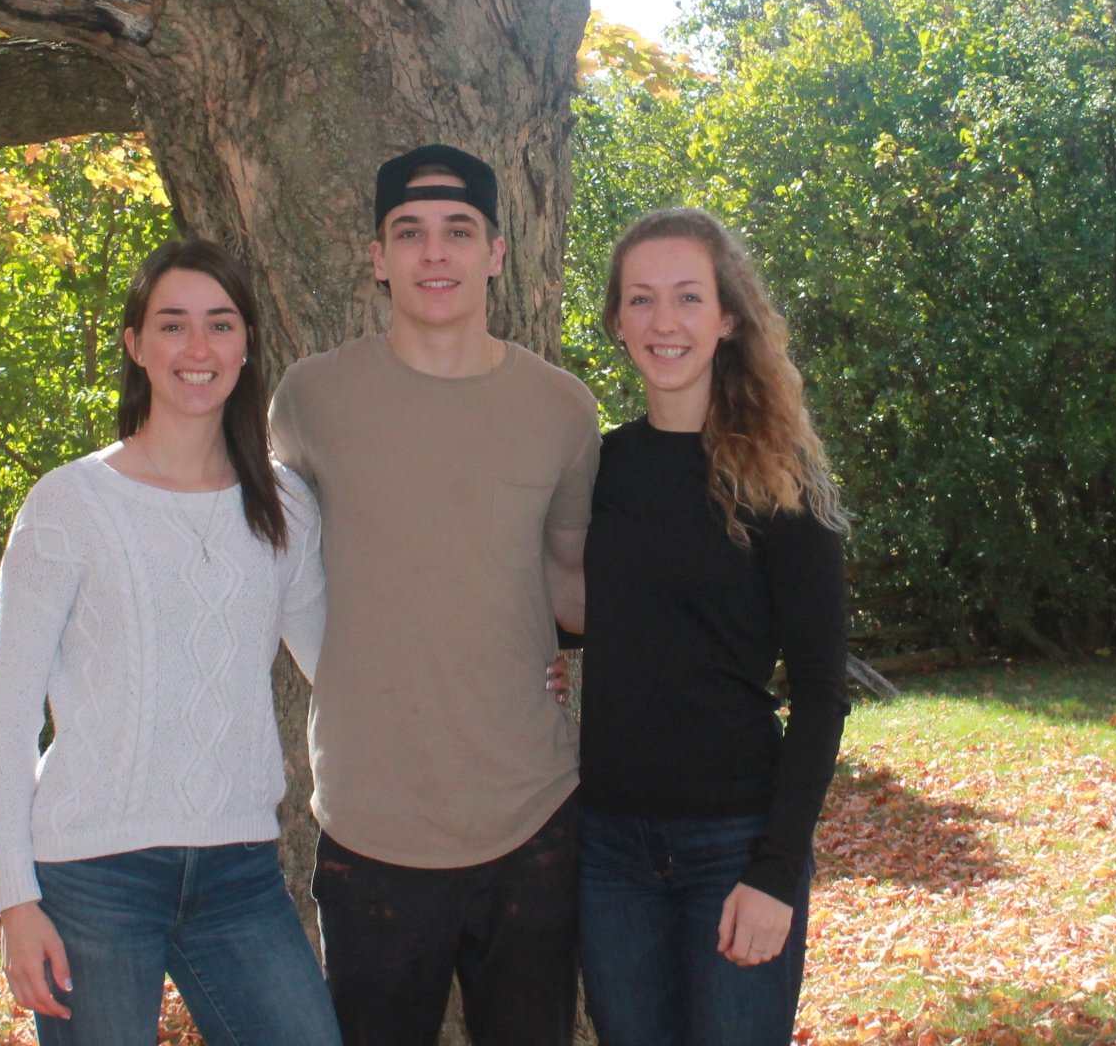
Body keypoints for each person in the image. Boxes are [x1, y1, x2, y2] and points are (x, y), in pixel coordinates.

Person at [269, 144, 602, 1046]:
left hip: (532, 813)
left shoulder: (563, 410)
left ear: (497, 250)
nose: (435, 253)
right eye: (409, 233)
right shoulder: (309, 402)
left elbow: (573, 587)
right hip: (373, 823)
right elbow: (267, 576)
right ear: (377, 257)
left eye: (459, 231)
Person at [0, 238, 340, 1046]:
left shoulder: (285, 506)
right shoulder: (69, 504)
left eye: (219, 324)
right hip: (90, 877)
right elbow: (4, 714)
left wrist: (503, 667)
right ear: (136, 345)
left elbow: (342, 673)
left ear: (246, 345)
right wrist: (15, 902)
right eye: (172, 326)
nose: (197, 349)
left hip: (240, 869)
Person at [576, 206, 850, 1046]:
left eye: (689, 298)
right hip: (609, 848)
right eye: (642, 299)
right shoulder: (598, 470)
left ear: (728, 318)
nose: (666, 322)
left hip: (735, 844)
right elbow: (606, 614)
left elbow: (821, 694)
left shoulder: (780, 480)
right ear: (618, 321)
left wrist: (774, 874)